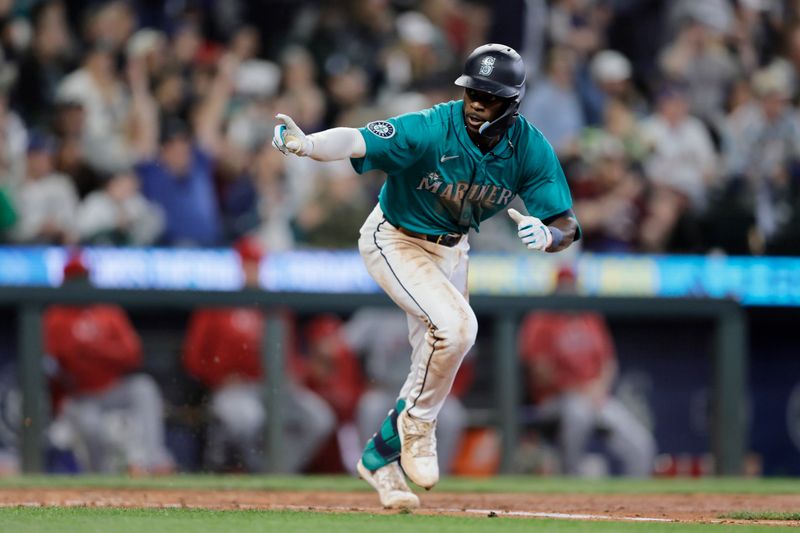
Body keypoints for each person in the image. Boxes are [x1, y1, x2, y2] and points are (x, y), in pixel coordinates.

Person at [273, 43, 579, 508]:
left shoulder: (529, 148)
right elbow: (358, 139)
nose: (477, 102)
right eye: (473, 90)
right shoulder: (432, 127)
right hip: (394, 237)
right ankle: (417, 428)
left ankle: (379, 458)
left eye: (491, 96)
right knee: (459, 329)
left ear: (512, 103)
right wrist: (310, 145)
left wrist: (549, 236)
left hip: (452, 252)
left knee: (434, 361)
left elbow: (567, 224)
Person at [181, 237, 335, 473]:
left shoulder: (273, 305)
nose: (252, 270)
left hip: (275, 387)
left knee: (319, 418)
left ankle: (279, 472)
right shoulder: (217, 305)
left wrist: (300, 373)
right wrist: (217, 377)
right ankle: (257, 474)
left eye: (256, 264)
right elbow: (193, 357)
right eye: (247, 264)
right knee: (249, 419)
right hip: (235, 388)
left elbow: (287, 357)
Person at [518, 266, 655, 477]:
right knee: (578, 412)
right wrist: (577, 389)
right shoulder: (541, 319)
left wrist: (598, 389)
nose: (567, 291)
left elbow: (609, 363)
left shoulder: (590, 317)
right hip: (555, 400)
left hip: (596, 397)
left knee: (641, 443)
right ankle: (571, 480)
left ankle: (635, 496)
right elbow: (539, 370)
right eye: (563, 287)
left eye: (571, 286)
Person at [45, 252, 174, 474]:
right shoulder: (55, 316)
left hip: (112, 389)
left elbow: (133, 353)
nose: (80, 284)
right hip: (78, 397)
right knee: (90, 424)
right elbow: (52, 365)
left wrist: (94, 352)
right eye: (75, 278)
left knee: (143, 388)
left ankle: (154, 460)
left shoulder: (107, 311)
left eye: (83, 277)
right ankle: (103, 477)